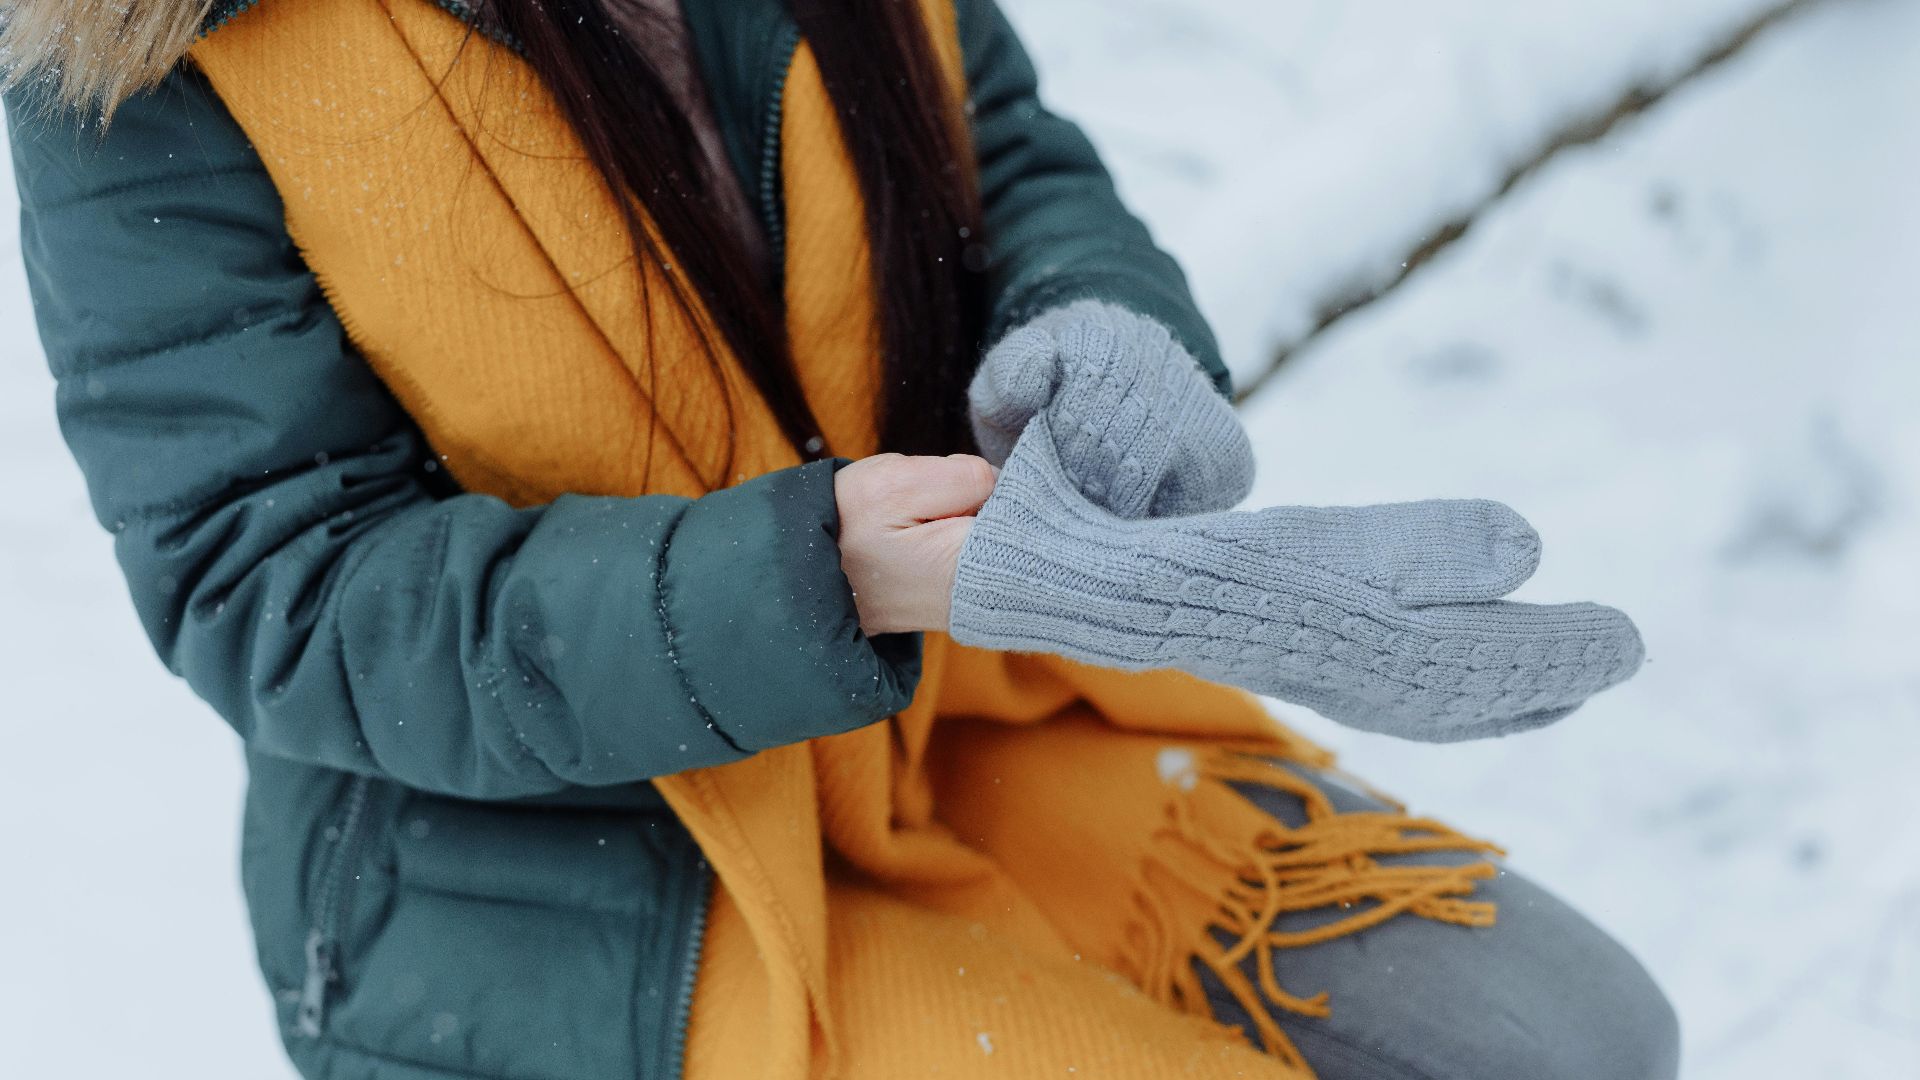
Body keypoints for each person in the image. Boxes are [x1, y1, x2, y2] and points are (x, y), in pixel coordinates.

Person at [3, 1, 1679, 1077]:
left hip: (975, 697)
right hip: (566, 885)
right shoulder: (142, 60)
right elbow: (277, 591)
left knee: (1579, 1042)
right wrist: (816, 579)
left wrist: (1087, 328)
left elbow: (1000, 143)